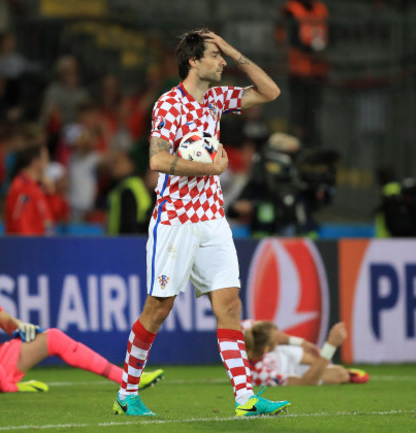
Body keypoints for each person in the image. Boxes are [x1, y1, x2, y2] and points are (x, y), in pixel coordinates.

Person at [113, 28, 289, 417]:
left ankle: (246, 399)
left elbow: (270, 91)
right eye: (214, 55)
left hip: (212, 217)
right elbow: (157, 162)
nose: (222, 62)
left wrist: (228, 45)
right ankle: (127, 393)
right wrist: (210, 167)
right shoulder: (168, 105)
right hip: (175, 221)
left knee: (229, 303)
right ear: (194, 61)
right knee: (158, 309)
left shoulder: (215, 99)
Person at [0, 226, 164, 393]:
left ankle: (128, 378)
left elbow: (5, 320)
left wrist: (21, 327)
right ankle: (13, 387)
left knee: (52, 337)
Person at [243, 320, 369, 386]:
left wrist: (302, 343)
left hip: (287, 357)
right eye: (276, 342)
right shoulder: (261, 375)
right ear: (266, 349)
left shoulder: (247, 328)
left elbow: (274, 335)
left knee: (323, 363)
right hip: (292, 373)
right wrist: (330, 346)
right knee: (340, 374)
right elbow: (304, 383)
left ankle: (322, 366)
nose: (280, 339)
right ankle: (326, 369)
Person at [280, 0, 329, 148]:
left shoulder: (321, 8)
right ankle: (295, 146)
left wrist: (321, 52)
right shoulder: (291, 9)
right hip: (298, 71)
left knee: (313, 113)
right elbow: (291, 39)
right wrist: (313, 50)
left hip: (317, 72)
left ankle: (311, 147)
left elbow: (329, 35)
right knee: (298, 113)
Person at [4, 144, 53, 235]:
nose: (48, 163)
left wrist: (51, 195)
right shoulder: (22, 187)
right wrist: (28, 247)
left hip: (41, 245)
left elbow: (47, 218)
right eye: (45, 158)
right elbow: (20, 226)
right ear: (35, 162)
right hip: (29, 247)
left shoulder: (36, 187)